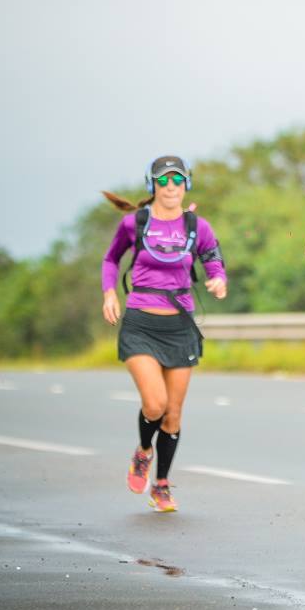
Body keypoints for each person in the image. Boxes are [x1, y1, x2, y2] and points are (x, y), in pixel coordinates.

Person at [101, 156, 227, 513]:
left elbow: (214, 260)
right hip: (141, 323)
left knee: (172, 414)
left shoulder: (196, 226)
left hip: (180, 326)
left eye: (177, 180)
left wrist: (218, 280)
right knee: (155, 404)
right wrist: (109, 293)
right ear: (151, 185)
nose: (170, 187)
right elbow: (111, 260)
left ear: (187, 184)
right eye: (163, 180)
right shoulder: (135, 223)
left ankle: (161, 485)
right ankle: (144, 451)